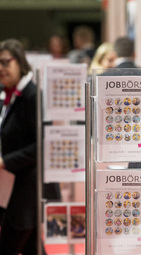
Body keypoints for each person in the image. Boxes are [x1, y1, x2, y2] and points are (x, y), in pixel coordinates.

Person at [0, 39, 40, 254]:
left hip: (25, 189)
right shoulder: (5, 93)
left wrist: (5, 161)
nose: (0, 68)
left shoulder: (32, 95)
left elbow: (39, 146)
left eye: (5, 62)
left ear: (20, 62)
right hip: (7, 186)